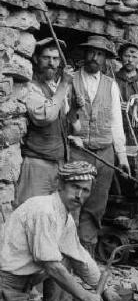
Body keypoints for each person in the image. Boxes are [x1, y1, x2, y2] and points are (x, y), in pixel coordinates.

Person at [0, 162, 118, 301]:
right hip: (6, 289)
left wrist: (103, 288)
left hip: (20, 291)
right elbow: (51, 266)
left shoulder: (64, 215)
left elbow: (78, 256)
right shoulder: (44, 211)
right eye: (75, 187)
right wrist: (84, 296)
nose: (79, 195)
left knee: (64, 258)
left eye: (85, 190)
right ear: (60, 185)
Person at [69, 36, 130, 257]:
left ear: (105, 59)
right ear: (84, 54)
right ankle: (67, 255)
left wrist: (121, 156)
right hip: (78, 152)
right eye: (91, 52)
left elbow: (116, 121)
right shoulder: (70, 80)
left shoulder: (110, 84)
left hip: (104, 153)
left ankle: (86, 257)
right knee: (73, 204)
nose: (94, 57)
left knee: (95, 208)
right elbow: (65, 117)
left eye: (100, 54)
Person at [15, 38, 73, 206]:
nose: (51, 63)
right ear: (35, 59)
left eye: (55, 59)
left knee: (51, 215)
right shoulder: (29, 86)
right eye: (46, 58)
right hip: (37, 164)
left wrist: (75, 109)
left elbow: (66, 122)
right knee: (31, 212)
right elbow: (45, 117)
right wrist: (64, 85)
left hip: (58, 164)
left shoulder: (55, 87)